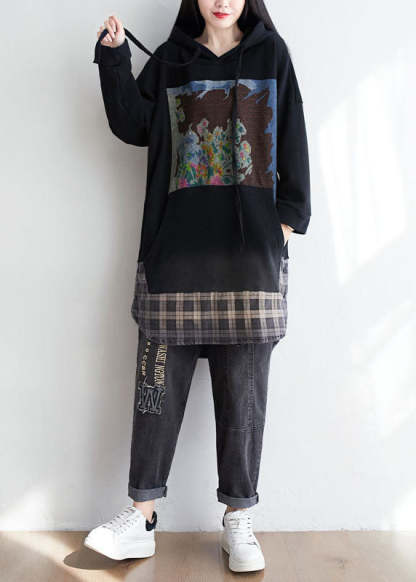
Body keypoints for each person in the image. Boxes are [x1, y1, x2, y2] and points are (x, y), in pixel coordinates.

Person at [84, 0, 311, 572]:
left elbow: (293, 137)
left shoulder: (271, 55)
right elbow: (133, 124)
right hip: (175, 259)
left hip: (248, 263)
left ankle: (239, 521)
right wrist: (113, 59)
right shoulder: (171, 60)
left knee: (244, 401)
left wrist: (285, 223)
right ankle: (141, 518)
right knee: (155, 396)